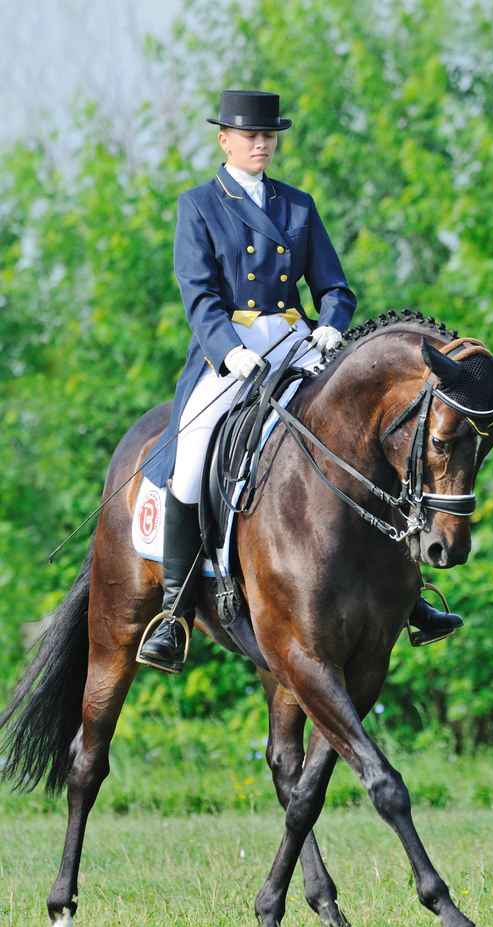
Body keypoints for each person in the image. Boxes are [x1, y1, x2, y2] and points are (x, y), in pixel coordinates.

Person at [139, 90, 462, 673]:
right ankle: (174, 612)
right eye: (249, 136)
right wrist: (229, 353)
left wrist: (333, 327)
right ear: (225, 140)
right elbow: (198, 295)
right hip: (228, 353)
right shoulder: (200, 205)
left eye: (268, 136)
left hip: (298, 343)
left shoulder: (298, 204)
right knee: (190, 459)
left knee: (368, 436)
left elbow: (334, 287)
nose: (261, 144)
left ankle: (409, 596)